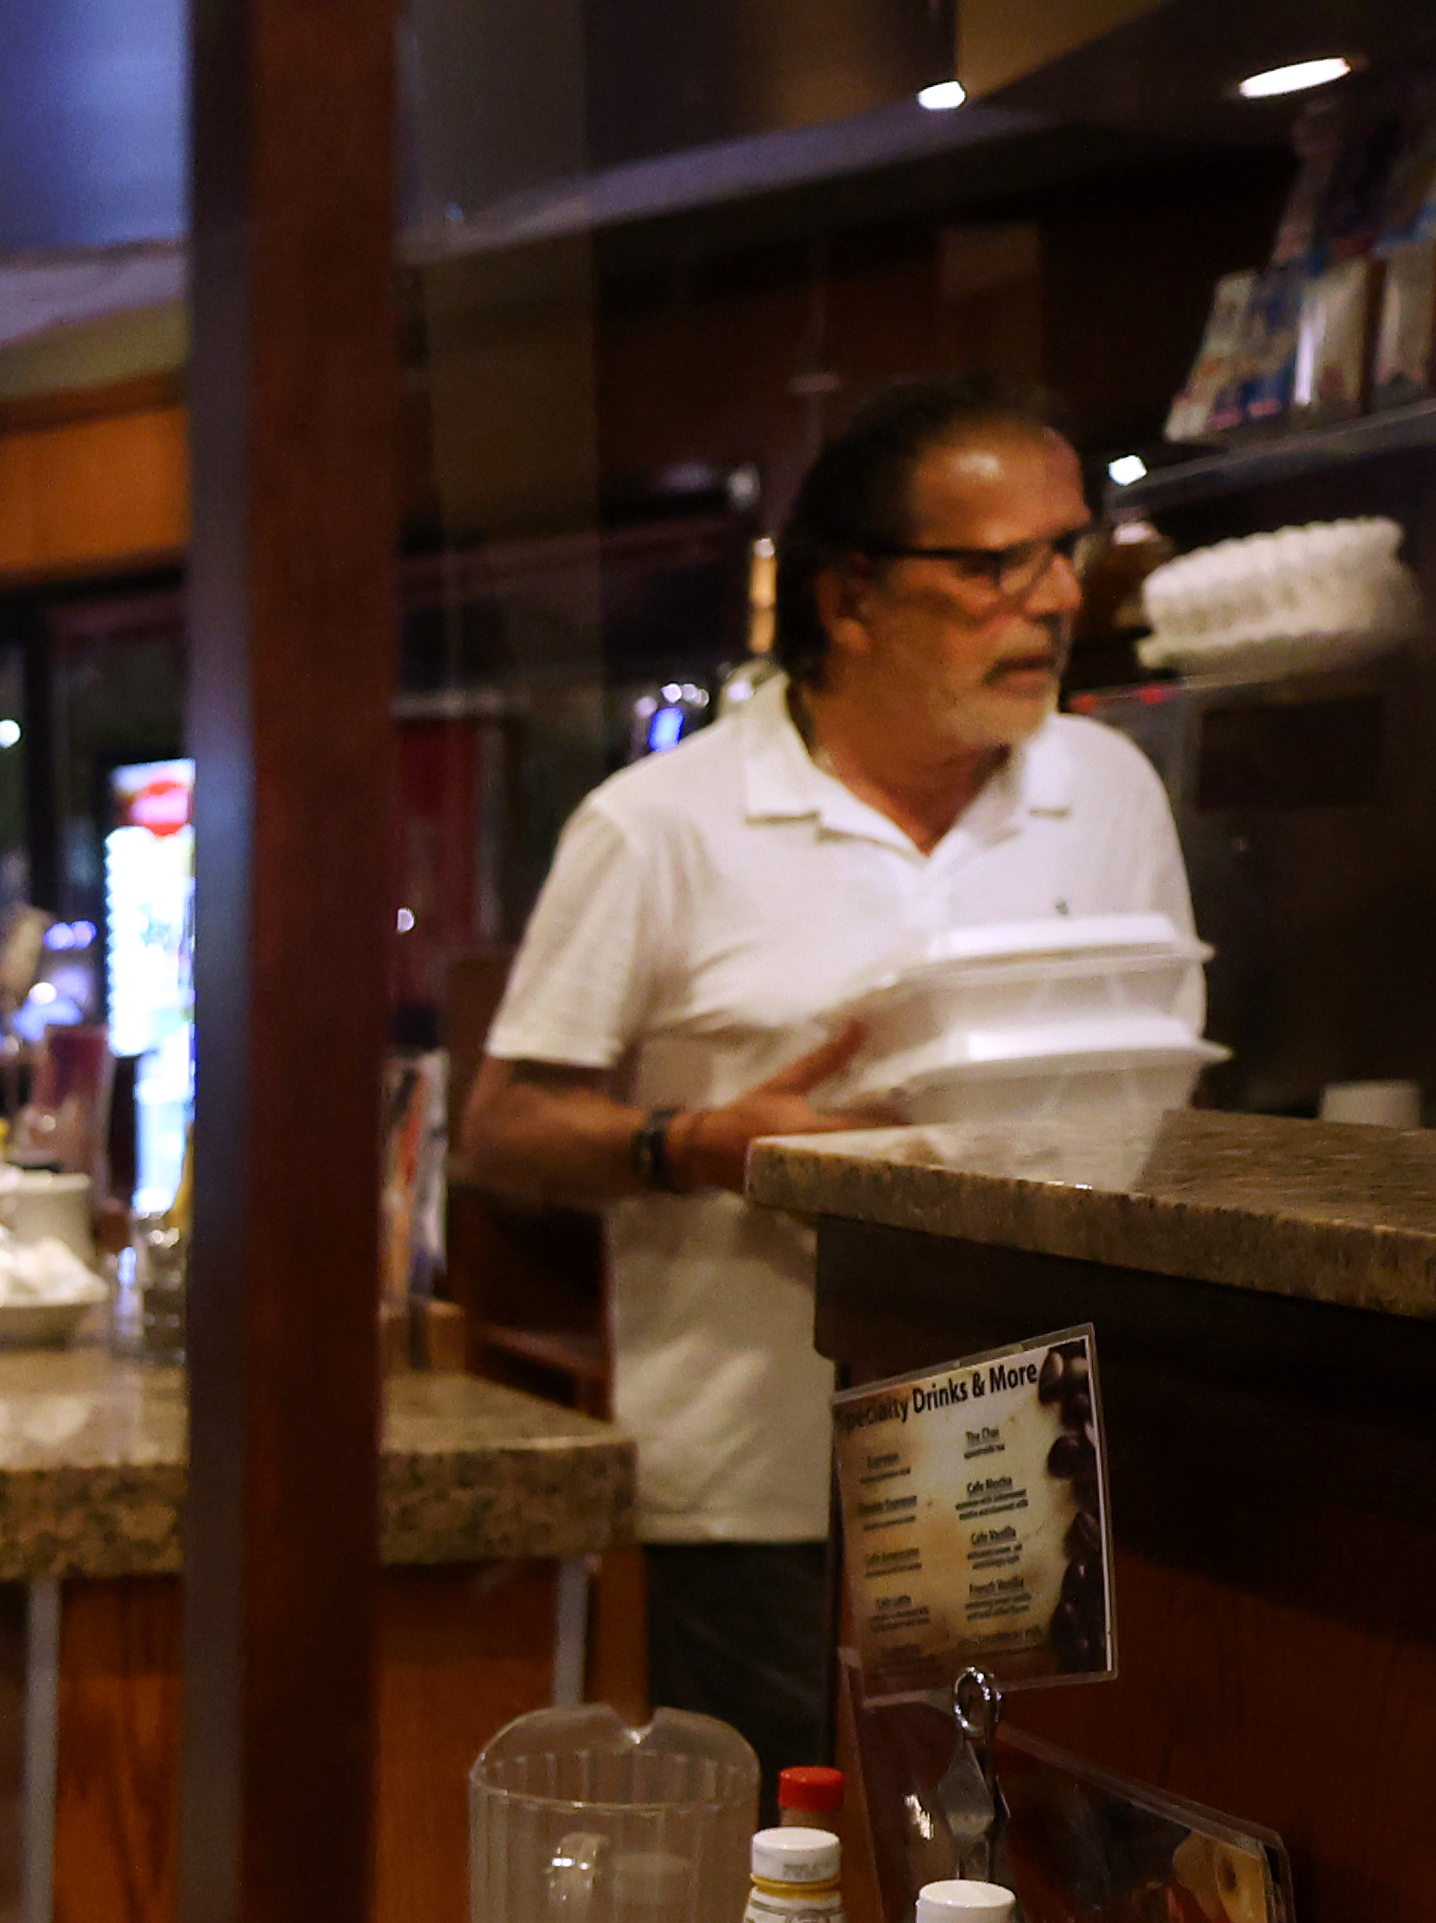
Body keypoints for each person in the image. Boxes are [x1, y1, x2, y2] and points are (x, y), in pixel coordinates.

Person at [462, 374, 1190, 1775]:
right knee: (789, 1893)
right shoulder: (661, 824)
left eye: (1068, 552)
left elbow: (1164, 1103)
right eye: (995, 565)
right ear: (850, 599)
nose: (1052, 599)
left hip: (1049, 1457)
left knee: (1030, 1884)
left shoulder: (1108, 791)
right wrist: (696, 1144)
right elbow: (502, 1129)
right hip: (761, 1476)